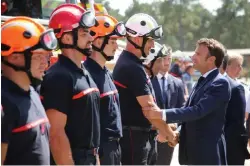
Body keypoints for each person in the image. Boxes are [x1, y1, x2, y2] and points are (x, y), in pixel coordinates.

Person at [142, 38, 230, 165]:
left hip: (207, 156)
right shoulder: (203, 80)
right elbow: (192, 117)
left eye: (198, 54)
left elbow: (197, 111)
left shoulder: (219, 83)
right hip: (194, 155)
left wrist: (160, 114)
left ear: (211, 60)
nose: (192, 56)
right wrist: (177, 133)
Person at [112, 13, 178, 165]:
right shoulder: (132, 67)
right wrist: (169, 134)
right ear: (137, 39)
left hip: (140, 138)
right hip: (134, 141)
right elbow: (149, 108)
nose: (153, 46)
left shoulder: (132, 64)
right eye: (150, 41)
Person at [39, 4, 101, 165]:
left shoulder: (83, 72)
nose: (91, 38)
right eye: (84, 33)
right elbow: (56, 134)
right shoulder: (59, 76)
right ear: (67, 38)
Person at [1, 16, 58, 165]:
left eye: (46, 56)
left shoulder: (32, 92)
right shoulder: (3, 103)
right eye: (39, 56)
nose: (45, 63)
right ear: (14, 57)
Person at [83, 13, 126, 165]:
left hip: (114, 148)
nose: (116, 46)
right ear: (98, 41)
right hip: (101, 151)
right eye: (112, 41)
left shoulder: (106, 72)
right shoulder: (87, 75)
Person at [151, 45, 185, 165]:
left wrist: (174, 132)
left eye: (169, 59)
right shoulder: (148, 80)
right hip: (151, 136)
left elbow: (182, 110)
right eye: (164, 59)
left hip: (169, 137)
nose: (166, 62)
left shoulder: (178, 83)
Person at [142, 42, 171, 165]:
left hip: (151, 139)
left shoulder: (147, 80)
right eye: (159, 61)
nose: (162, 65)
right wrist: (169, 134)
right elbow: (150, 111)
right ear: (149, 62)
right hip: (141, 141)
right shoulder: (142, 80)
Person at [223, 53, 250, 165]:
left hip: (238, 135)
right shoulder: (223, 84)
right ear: (227, 66)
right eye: (237, 65)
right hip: (227, 136)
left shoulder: (243, 86)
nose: (240, 69)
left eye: (241, 65)